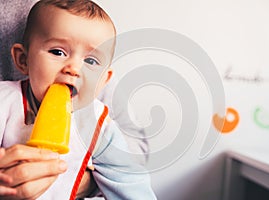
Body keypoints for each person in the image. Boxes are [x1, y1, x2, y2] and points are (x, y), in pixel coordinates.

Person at [0, 0, 156, 199]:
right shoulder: (4, 102)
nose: (73, 68)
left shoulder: (100, 127)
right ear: (23, 59)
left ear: (103, 81)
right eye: (58, 52)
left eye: (90, 61)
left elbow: (131, 183)